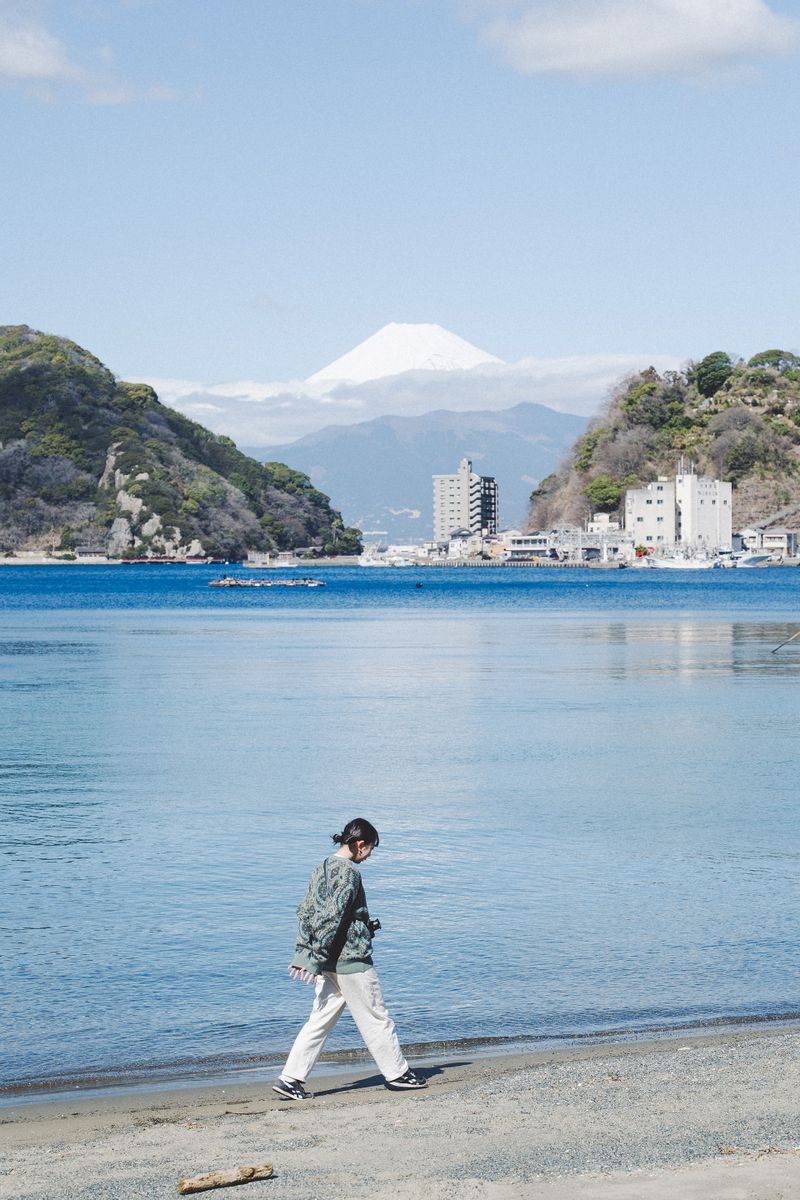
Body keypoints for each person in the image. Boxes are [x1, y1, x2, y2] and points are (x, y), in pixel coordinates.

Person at [273, 817, 426, 1099]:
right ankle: (397, 1074)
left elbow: (305, 911)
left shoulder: (322, 867)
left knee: (319, 1020)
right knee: (376, 1017)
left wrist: (306, 952)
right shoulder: (349, 873)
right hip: (351, 960)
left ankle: (289, 1078)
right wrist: (313, 956)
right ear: (359, 845)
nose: (369, 856)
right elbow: (332, 915)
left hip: (329, 962)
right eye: (369, 850)